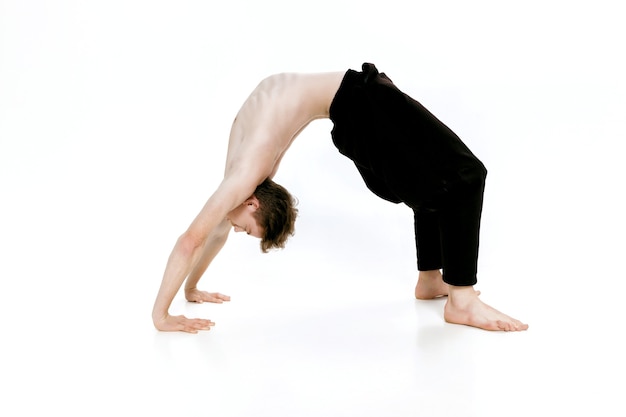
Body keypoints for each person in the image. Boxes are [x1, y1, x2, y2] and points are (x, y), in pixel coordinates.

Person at [152, 63, 528, 333]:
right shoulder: (242, 176)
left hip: (359, 101)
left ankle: (456, 297)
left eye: (247, 231)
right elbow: (213, 231)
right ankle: (435, 284)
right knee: (430, 181)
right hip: (351, 107)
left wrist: (161, 316)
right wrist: (190, 288)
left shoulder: (245, 172)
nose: (236, 231)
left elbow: (190, 241)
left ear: (253, 204)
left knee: (464, 176)